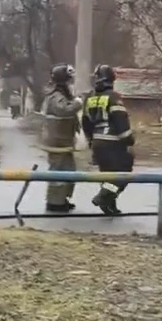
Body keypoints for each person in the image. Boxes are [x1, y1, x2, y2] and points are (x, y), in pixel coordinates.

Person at [81, 64, 135, 215]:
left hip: (97, 142)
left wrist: (91, 140)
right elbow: (120, 119)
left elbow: (85, 122)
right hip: (113, 142)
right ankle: (103, 197)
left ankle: (110, 205)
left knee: (107, 174)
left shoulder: (90, 98)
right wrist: (129, 140)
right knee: (123, 173)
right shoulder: (113, 97)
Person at [40, 64, 83, 212]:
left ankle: (61, 199)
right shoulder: (56, 96)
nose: (71, 83)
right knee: (58, 171)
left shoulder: (61, 95)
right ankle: (54, 203)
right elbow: (64, 110)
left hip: (62, 141)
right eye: (69, 80)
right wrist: (78, 103)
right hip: (57, 141)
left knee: (69, 171)